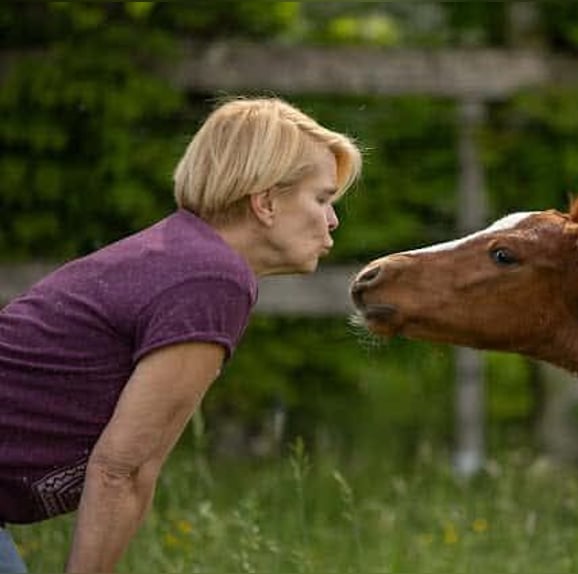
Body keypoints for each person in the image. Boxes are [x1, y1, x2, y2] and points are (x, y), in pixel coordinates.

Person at [0, 96, 362, 573]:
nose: (332, 219)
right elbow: (121, 472)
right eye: (321, 199)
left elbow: (129, 470)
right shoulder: (210, 279)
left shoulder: (185, 256)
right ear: (267, 201)